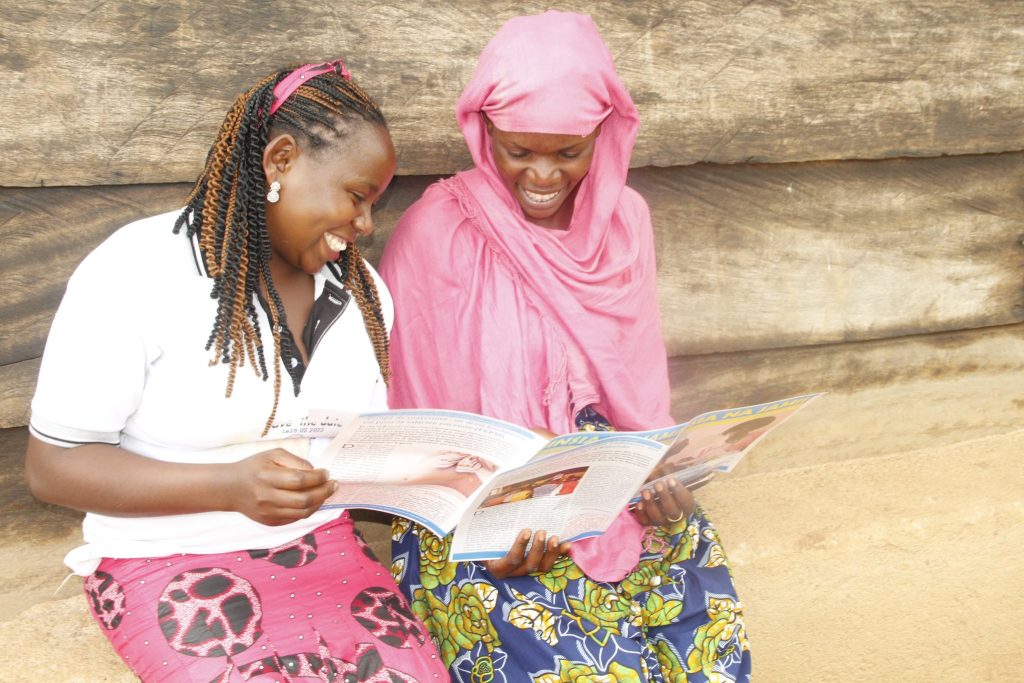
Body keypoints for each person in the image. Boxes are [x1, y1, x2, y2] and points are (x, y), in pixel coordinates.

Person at [24, 60, 447, 682]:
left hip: (325, 551)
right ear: (279, 161)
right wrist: (227, 486)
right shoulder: (138, 270)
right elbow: (52, 466)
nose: (364, 224)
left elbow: (358, 456)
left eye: (373, 204)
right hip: (165, 559)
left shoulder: (364, 295)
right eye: (356, 197)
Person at [380, 11, 751, 683]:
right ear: (484, 131)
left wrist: (664, 476)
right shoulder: (438, 229)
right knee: (562, 656)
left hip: (604, 476)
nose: (542, 173)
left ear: (601, 138)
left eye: (567, 152)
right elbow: (423, 433)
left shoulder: (624, 223)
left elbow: (638, 393)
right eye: (519, 150)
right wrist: (487, 524)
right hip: (478, 501)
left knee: (701, 635)